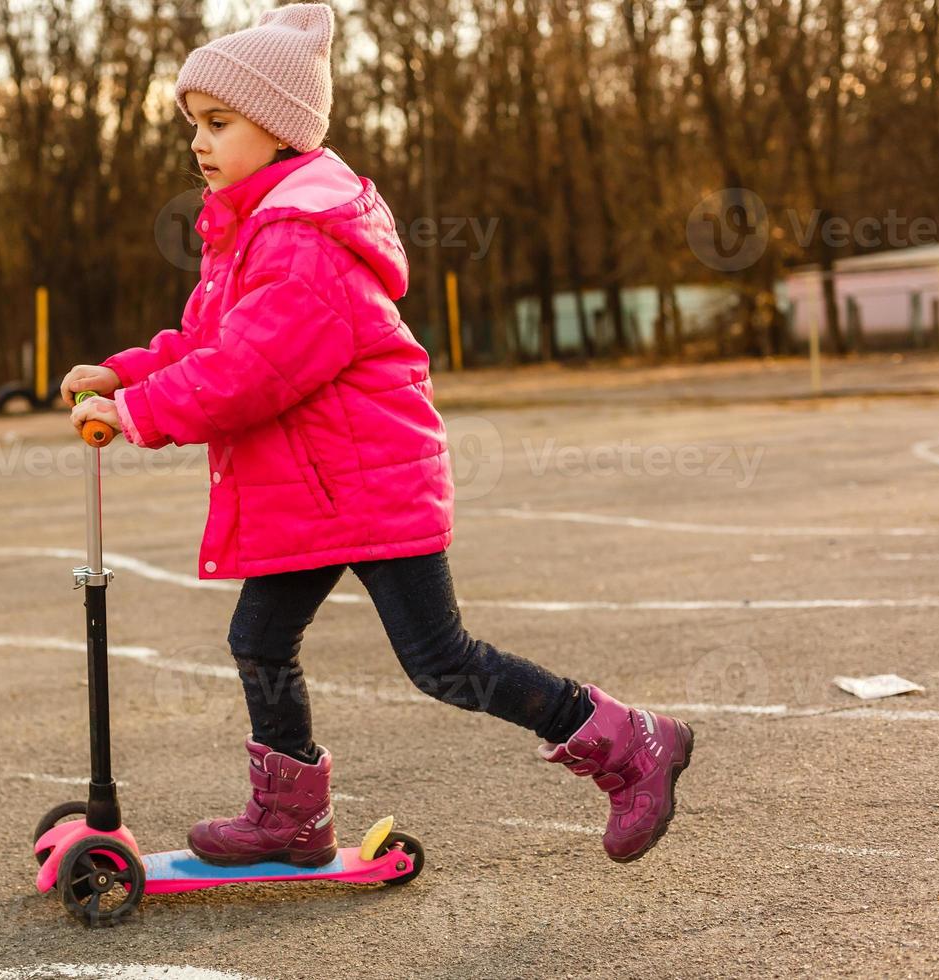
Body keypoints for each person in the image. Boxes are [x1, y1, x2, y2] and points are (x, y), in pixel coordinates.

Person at [63, 2, 693, 867]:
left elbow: (250, 369)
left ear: (281, 133)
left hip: (370, 484)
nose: (200, 144)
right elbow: (210, 342)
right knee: (258, 638)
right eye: (194, 127)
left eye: (219, 123)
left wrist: (137, 415)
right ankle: (290, 816)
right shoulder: (251, 232)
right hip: (319, 492)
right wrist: (128, 373)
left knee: (440, 659)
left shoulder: (303, 243)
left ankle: (627, 741)